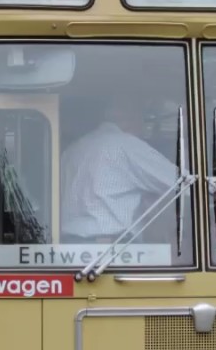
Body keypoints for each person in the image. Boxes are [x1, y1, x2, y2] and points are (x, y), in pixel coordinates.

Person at [59, 94, 181, 243]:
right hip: (113, 249)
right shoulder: (127, 145)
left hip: (68, 246)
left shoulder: (72, 150)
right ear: (133, 119)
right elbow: (183, 183)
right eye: (143, 120)